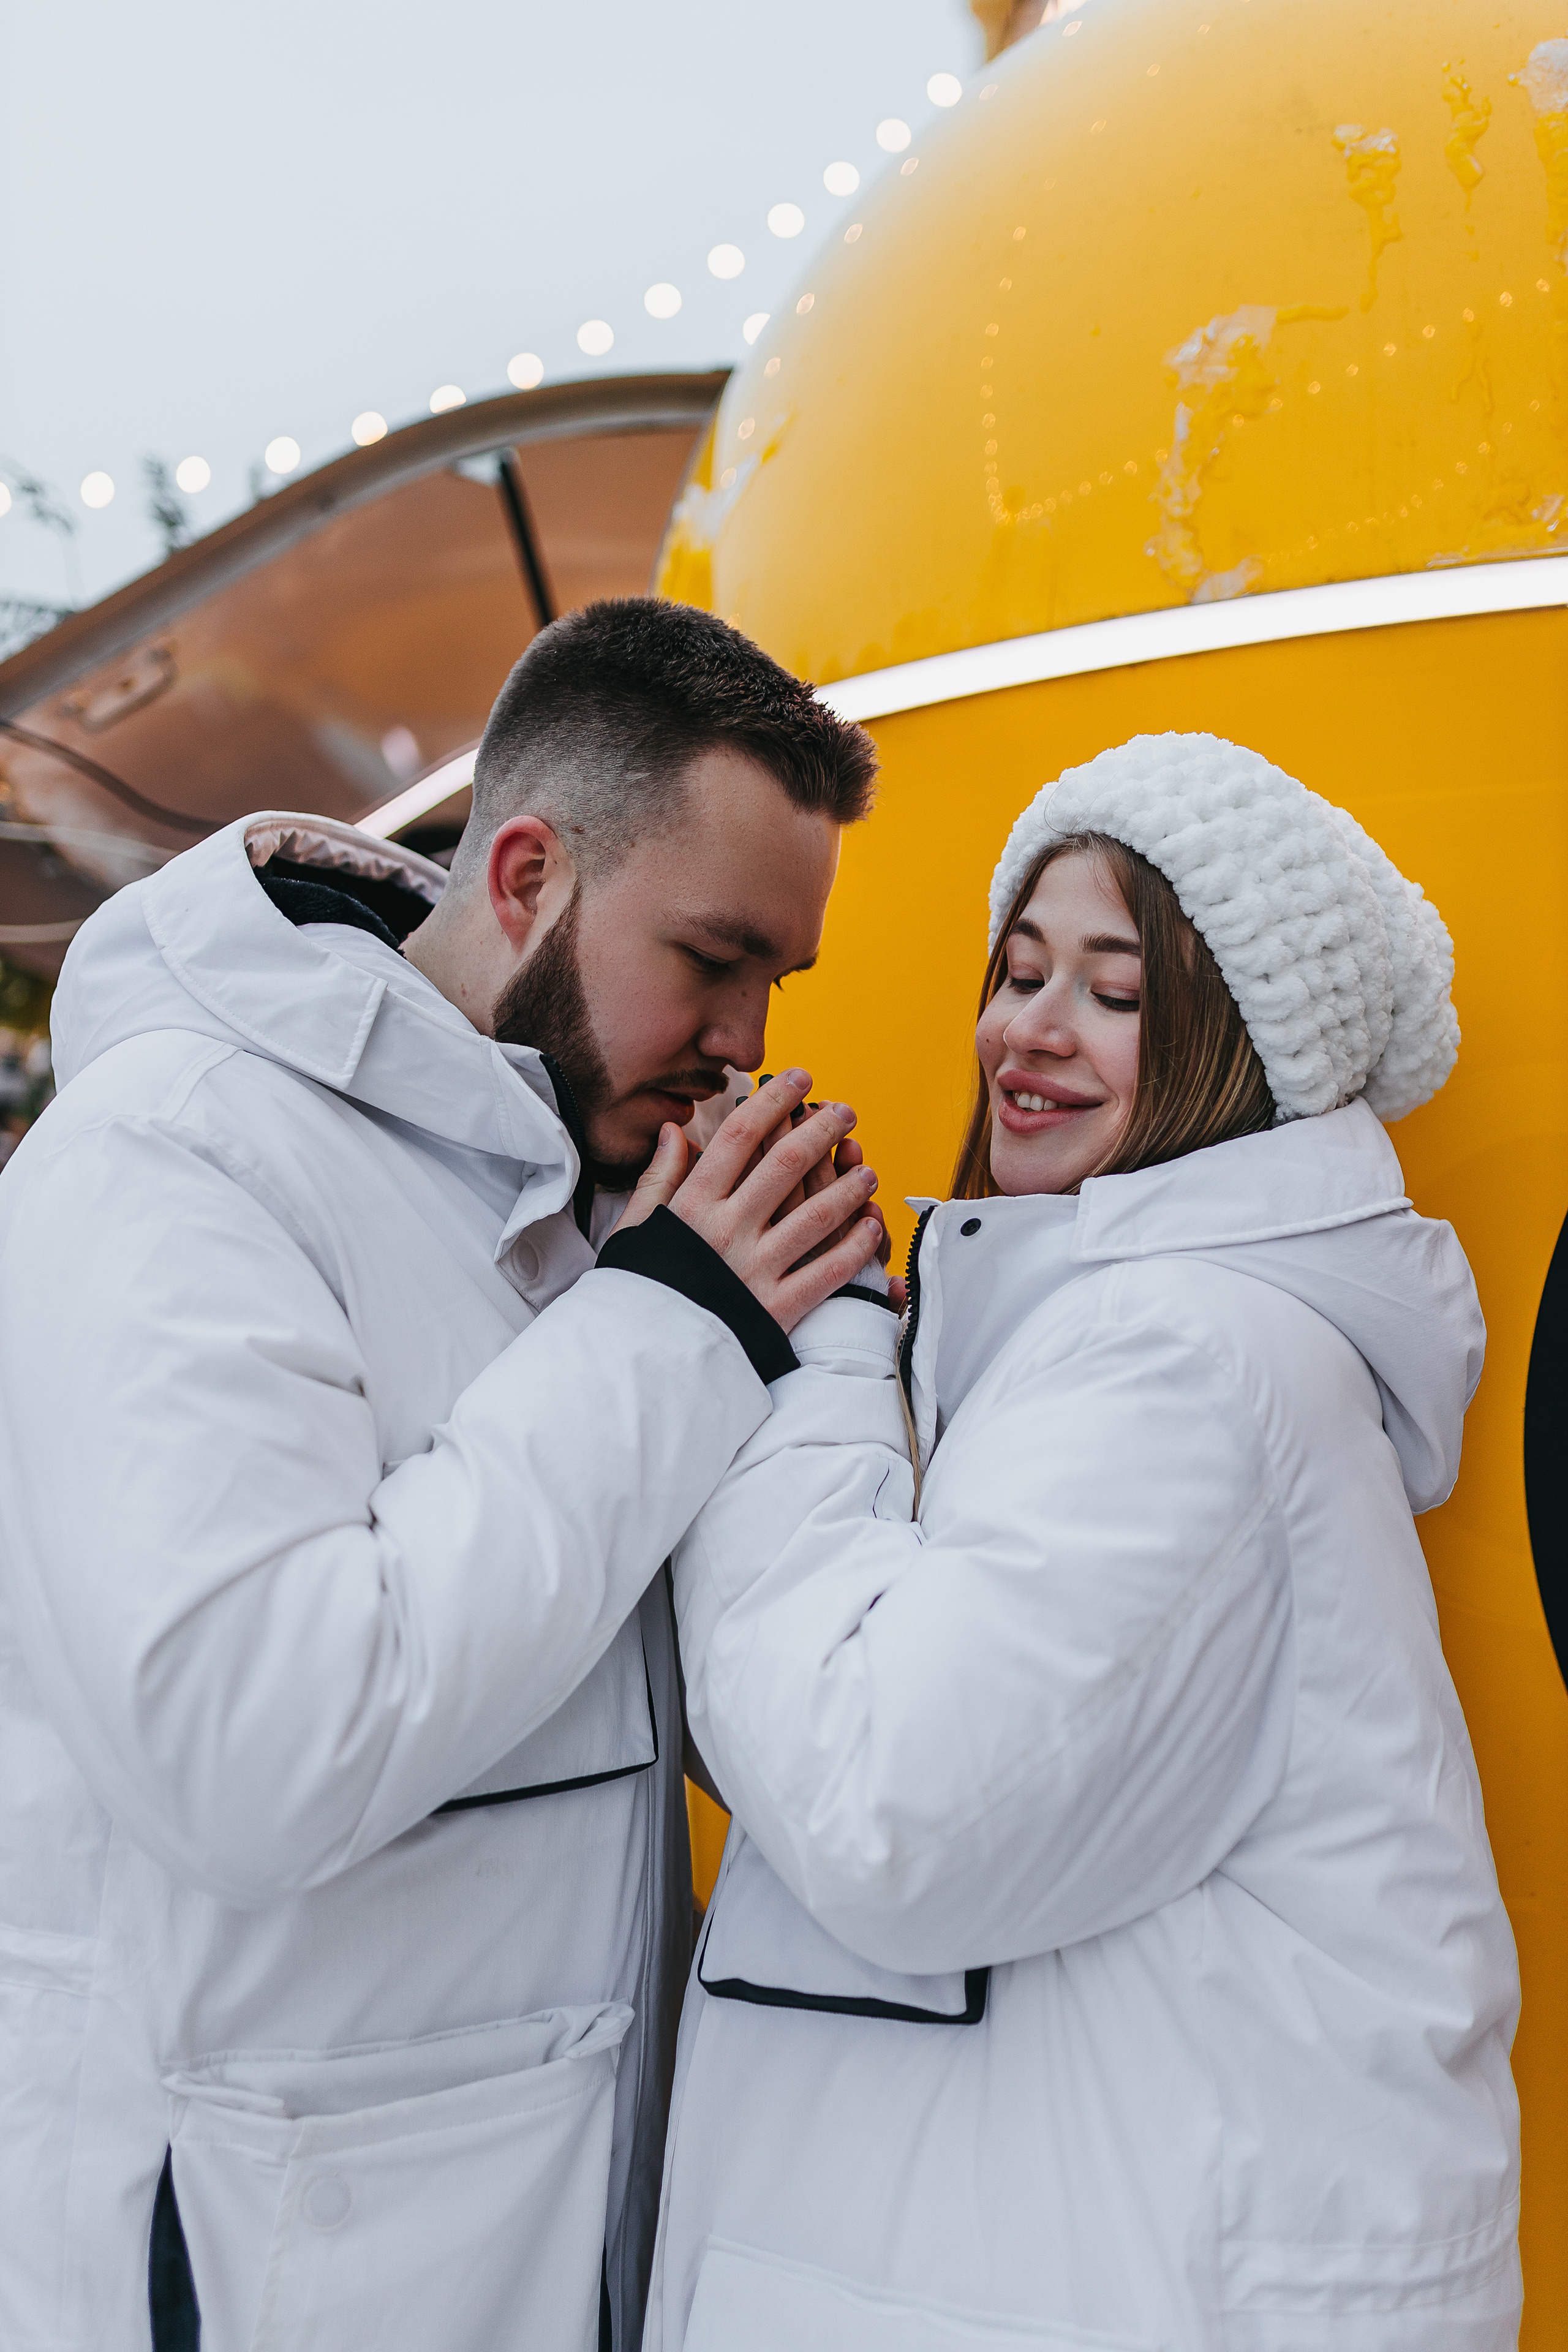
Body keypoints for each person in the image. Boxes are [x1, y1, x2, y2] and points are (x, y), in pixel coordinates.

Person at [0, 597, 888, 2352]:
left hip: (528, 2237)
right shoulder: (175, 1151)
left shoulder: (570, 1184)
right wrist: (682, 1324)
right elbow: (253, 1741)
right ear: (529, 874)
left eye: (777, 981)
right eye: (713, 958)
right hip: (258, 2260)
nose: (746, 1033)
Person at [643, 733, 1522, 2352]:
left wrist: (810, 1338)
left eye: (1116, 994)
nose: (1029, 1033)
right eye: (1021, 968)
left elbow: (887, 1809)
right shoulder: (1113, 1342)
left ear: (1229, 1052)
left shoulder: (1178, 1368)